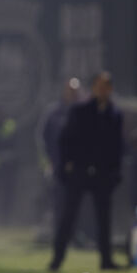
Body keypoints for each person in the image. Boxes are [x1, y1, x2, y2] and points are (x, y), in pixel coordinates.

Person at [49, 71, 123, 272]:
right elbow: (65, 140)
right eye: (99, 86)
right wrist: (67, 165)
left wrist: (115, 172)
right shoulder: (80, 111)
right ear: (93, 88)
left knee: (103, 219)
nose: (103, 90)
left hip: (102, 173)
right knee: (69, 216)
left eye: (106, 86)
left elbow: (117, 146)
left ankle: (106, 260)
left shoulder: (114, 114)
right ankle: (57, 259)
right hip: (80, 171)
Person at [35, 77, 81, 243]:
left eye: (75, 91)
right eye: (70, 90)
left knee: (75, 203)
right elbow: (42, 138)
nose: (72, 94)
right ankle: (58, 235)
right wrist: (47, 162)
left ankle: (74, 235)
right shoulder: (53, 113)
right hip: (57, 165)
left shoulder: (82, 113)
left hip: (77, 167)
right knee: (57, 202)